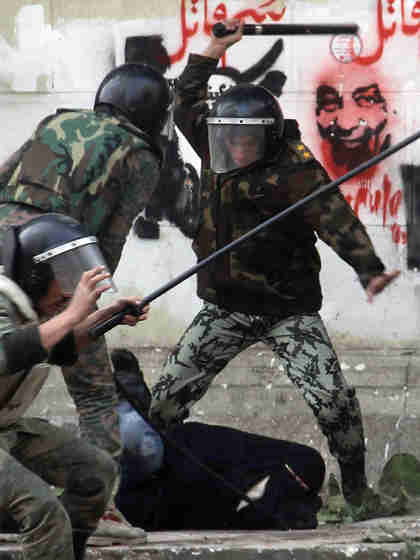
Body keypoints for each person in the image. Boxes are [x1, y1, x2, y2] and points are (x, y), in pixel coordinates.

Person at [149, 20, 401, 520]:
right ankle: (141, 483)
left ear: (266, 139)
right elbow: (185, 102)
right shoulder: (213, 142)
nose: (235, 149)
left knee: (333, 403)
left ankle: (356, 491)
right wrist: (212, 49)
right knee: (162, 405)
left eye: (246, 141)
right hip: (224, 308)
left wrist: (368, 269)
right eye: (229, 140)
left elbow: (337, 219)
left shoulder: (295, 169)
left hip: (288, 311)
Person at [0, 62, 172, 541]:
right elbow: (107, 242)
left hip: (5, 254)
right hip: (55, 268)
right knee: (96, 391)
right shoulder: (140, 155)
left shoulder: (55, 123)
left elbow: (2, 177)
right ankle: (104, 511)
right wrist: (95, 307)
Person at [0, 213, 149, 560]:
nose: (69, 287)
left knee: (96, 472)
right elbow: (7, 352)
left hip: (6, 428)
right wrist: (72, 314)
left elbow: (56, 347)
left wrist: (105, 318)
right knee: (42, 511)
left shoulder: (32, 307)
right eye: (62, 274)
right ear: (36, 275)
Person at [111, 348, 326, 531]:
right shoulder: (303, 467)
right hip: (185, 457)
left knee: (141, 451)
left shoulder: (280, 512)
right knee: (141, 437)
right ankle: (136, 404)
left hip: (170, 488)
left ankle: (136, 405)